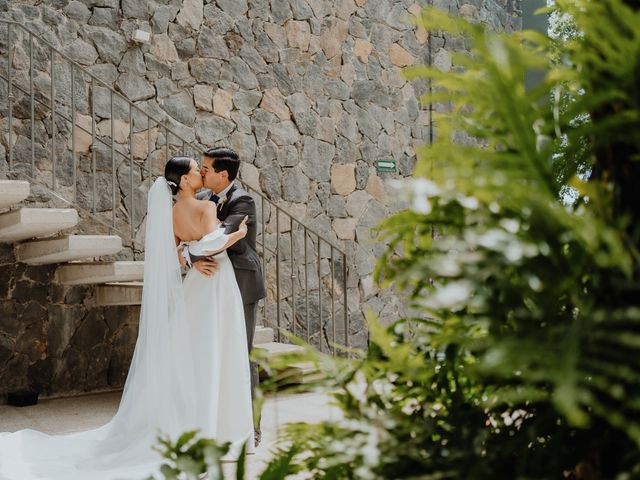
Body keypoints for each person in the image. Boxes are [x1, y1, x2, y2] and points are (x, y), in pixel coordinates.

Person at [0, 157, 253, 479]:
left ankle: (198, 421)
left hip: (195, 284)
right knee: (215, 350)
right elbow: (216, 243)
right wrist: (236, 234)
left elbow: (173, 254)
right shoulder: (206, 210)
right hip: (216, 282)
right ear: (185, 181)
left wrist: (190, 256)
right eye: (195, 170)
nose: (200, 172)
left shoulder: (171, 215)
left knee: (195, 353)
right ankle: (215, 427)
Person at [187, 147, 266, 446]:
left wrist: (195, 250)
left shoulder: (243, 200)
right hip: (213, 283)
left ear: (224, 174)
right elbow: (195, 238)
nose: (203, 172)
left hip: (241, 284)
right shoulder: (205, 200)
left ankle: (252, 425)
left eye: (207, 168)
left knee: (243, 354)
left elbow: (222, 236)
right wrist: (191, 255)